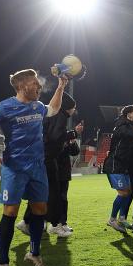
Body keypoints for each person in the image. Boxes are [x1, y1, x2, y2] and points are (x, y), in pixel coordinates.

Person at [0, 70, 67, 266]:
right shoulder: (4, 106)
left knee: (40, 210)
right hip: (15, 168)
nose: (39, 87)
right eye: (35, 84)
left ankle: (34, 253)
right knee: (10, 212)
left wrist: (60, 87)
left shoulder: (38, 107)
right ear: (22, 86)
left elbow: (54, 109)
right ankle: (3, 265)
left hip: (38, 168)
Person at [16, 92, 81, 238]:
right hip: (47, 159)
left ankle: (27, 222)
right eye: (73, 107)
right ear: (67, 107)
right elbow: (54, 137)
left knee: (42, 194)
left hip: (39, 158)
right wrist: (70, 135)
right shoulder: (60, 116)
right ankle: (55, 225)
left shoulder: (49, 115)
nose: (74, 110)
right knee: (54, 195)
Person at [103, 105, 133, 233]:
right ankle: (112, 219)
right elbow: (128, 133)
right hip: (115, 164)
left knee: (129, 191)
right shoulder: (121, 124)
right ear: (128, 114)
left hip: (123, 165)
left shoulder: (130, 125)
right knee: (124, 192)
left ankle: (122, 218)